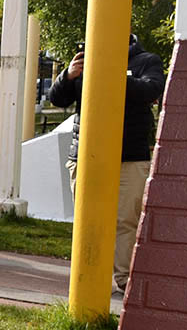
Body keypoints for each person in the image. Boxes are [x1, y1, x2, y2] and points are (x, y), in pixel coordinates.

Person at [49, 34, 164, 293]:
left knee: (125, 219)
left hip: (130, 155)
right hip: (85, 154)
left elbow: (152, 89)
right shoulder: (85, 61)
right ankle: (89, 275)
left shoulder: (147, 61)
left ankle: (124, 280)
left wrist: (112, 74)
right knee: (87, 217)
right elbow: (58, 99)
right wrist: (68, 75)